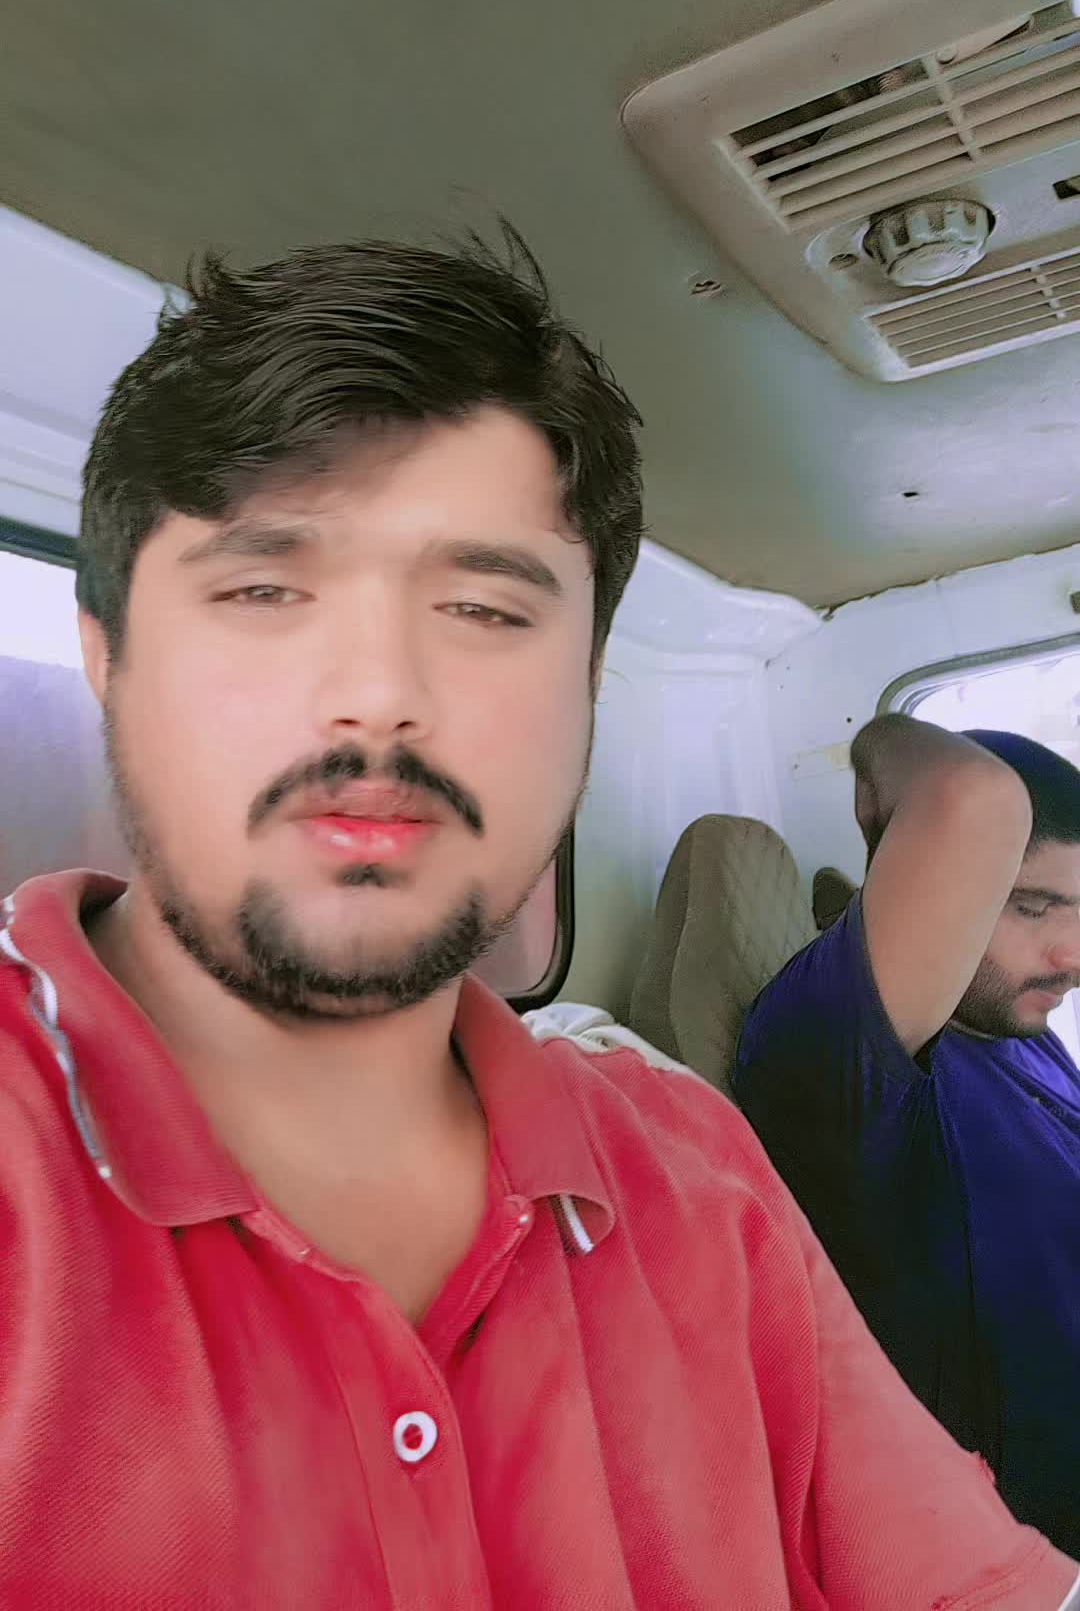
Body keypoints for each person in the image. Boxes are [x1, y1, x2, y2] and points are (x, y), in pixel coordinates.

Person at [0, 232, 1075, 1611]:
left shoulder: (691, 1165)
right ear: (107, 656)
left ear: (588, 685)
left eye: (483, 608)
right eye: (264, 591)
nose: (379, 695)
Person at [735, 713, 1080, 1561]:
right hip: (1026, 1542)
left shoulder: (1020, 1032)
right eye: (1031, 907)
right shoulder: (836, 1051)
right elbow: (968, 797)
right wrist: (878, 745)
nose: (1072, 954)